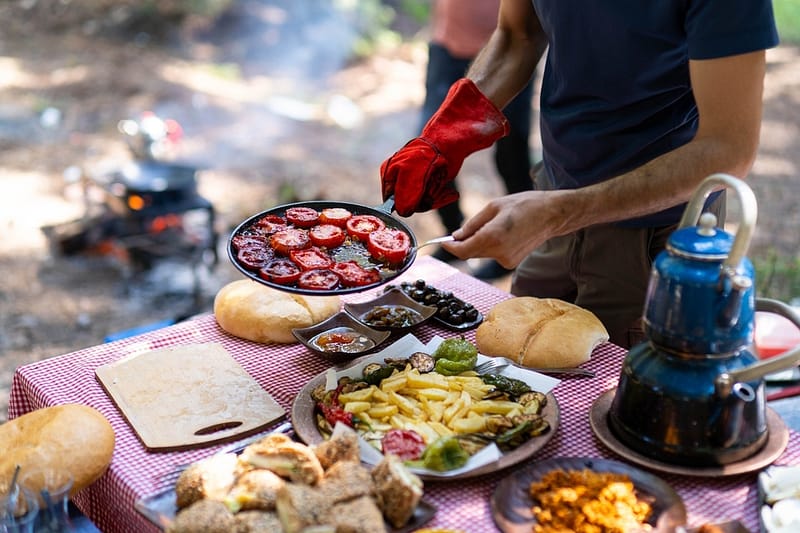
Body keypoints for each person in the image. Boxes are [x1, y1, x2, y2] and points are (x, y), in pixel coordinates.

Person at [380, 1, 778, 348]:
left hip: (656, 237)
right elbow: (518, 33)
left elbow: (728, 148)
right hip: (553, 200)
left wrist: (560, 212)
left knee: (621, 410)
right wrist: (445, 137)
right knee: (518, 376)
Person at [420, 0, 535, 280]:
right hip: (448, 49)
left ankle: (518, 249)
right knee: (430, 151)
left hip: (510, 56)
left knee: (512, 159)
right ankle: (452, 236)